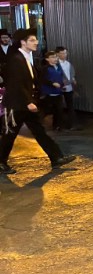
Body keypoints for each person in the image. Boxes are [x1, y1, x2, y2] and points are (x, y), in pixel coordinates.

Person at [0, 30, 75, 175]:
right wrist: (28, 101)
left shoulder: (27, 57)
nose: (36, 42)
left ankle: (56, 158)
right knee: (9, 135)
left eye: (36, 40)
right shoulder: (16, 59)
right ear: (23, 42)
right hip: (17, 104)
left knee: (40, 131)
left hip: (26, 103)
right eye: (32, 40)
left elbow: (33, 80)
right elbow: (16, 84)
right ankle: (1, 162)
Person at [38, 50, 65, 131]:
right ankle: (38, 126)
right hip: (48, 93)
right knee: (45, 111)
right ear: (47, 59)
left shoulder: (59, 67)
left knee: (59, 111)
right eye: (52, 57)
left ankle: (57, 126)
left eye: (56, 57)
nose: (55, 59)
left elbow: (61, 78)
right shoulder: (45, 68)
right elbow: (42, 79)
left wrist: (62, 85)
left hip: (58, 93)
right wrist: (52, 83)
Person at [56, 47, 79, 130]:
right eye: (62, 53)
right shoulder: (56, 64)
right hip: (60, 88)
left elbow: (71, 74)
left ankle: (72, 124)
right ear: (57, 54)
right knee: (59, 107)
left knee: (70, 106)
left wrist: (73, 79)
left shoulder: (68, 64)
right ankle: (59, 125)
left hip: (69, 87)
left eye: (65, 53)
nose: (64, 55)